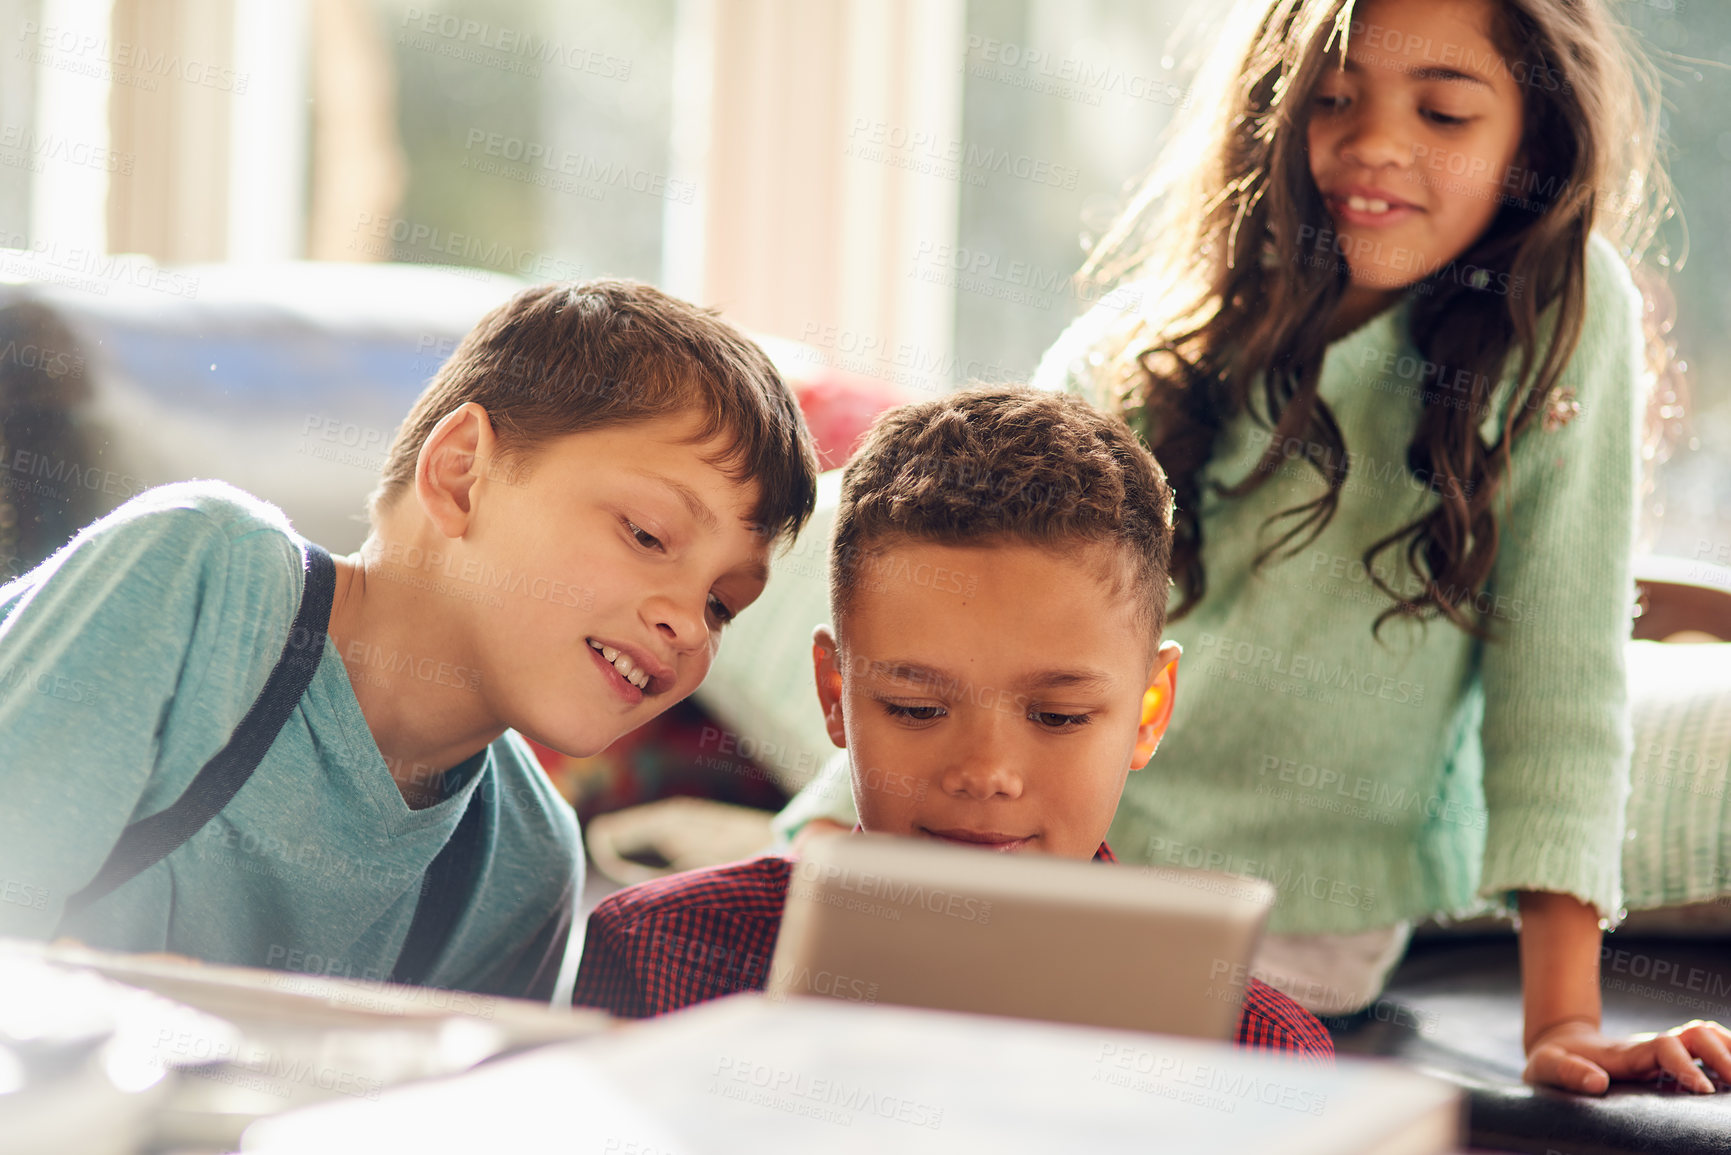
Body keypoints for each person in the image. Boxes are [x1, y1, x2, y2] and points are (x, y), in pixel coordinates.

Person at [777, 0, 1731, 1093]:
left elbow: (1559, 684)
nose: (1375, 144)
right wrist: (820, 855)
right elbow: (962, 646)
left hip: (1297, 918)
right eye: (1333, 101)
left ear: (1537, 143)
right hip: (1044, 854)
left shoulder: (1561, 319)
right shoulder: (1137, 345)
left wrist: (1561, 1022)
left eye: (1445, 112)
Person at [0, 279, 818, 1000]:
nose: (686, 620)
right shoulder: (203, 570)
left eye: (721, 603)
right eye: (646, 533)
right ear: (461, 471)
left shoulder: (526, 862)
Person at [573, 386, 1334, 1062]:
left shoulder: (1257, 1048)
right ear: (835, 694)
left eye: (1057, 715)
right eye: (916, 708)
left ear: (1148, 711)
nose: (985, 770)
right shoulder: (661, 956)